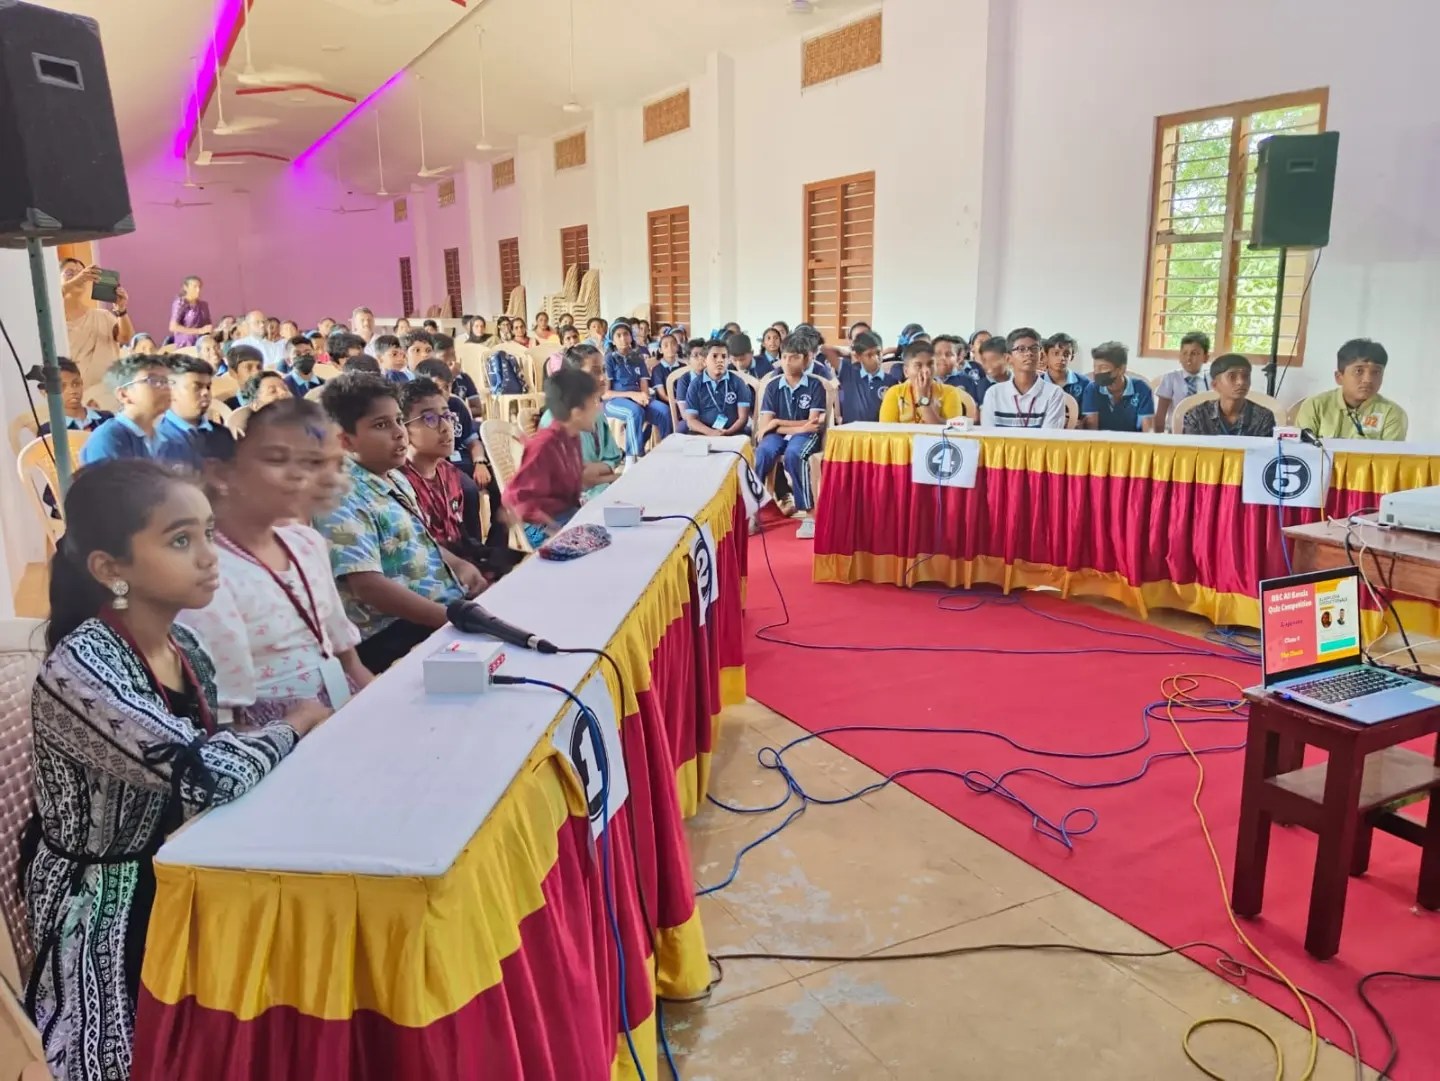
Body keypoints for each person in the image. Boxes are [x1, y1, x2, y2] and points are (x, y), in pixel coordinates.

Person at [25, 459, 325, 1081]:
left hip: (179, 859)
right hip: (104, 898)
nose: (208, 556)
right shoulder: (82, 669)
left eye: (209, 533)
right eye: (180, 540)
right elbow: (206, 774)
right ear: (111, 569)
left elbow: (209, 770)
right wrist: (295, 723)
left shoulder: (184, 649)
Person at [179, 399, 372, 725]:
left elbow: (344, 654)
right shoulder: (210, 572)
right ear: (223, 474)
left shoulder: (305, 542)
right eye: (278, 459)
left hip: (340, 701)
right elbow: (226, 717)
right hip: (273, 730)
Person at [313, 374, 483, 672]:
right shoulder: (340, 495)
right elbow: (368, 585)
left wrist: (459, 566)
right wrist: (448, 618)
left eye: (398, 421)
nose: (399, 433)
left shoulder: (392, 476)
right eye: (381, 425)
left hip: (434, 614)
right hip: (393, 636)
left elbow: (417, 539)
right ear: (345, 439)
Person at [506, 367, 601, 547]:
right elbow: (516, 499)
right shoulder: (544, 445)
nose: (599, 407)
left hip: (568, 514)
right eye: (594, 402)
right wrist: (554, 529)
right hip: (542, 527)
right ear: (576, 412)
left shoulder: (572, 436)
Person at [755, 334, 827, 539]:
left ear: (806, 359)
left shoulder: (814, 385)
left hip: (804, 437)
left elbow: (813, 424)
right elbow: (766, 425)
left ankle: (808, 514)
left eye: (794, 357)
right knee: (762, 453)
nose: (787, 362)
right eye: (784, 356)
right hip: (781, 434)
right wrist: (783, 425)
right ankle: (753, 511)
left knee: (796, 454)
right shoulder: (772, 385)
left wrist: (778, 423)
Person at [541, 344, 622, 500]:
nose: (602, 378)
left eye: (604, 370)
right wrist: (602, 474)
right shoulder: (558, 418)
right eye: (595, 372)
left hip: (598, 489)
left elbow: (612, 456)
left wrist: (601, 470)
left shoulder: (595, 412)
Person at [1294, 338, 1408, 441]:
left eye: (1376, 372)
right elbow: (1303, 452)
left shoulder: (1392, 413)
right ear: (1339, 377)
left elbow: (1388, 460)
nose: (1367, 379)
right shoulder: (1315, 406)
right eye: (1359, 371)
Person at [60, 258, 133, 407]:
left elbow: (125, 337)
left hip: (107, 398)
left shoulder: (102, 316)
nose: (77, 277)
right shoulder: (52, 321)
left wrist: (121, 309)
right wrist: (76, 280)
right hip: (71, 402)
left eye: (81, 273)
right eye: (69, 273)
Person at [79, 356, 172, 464]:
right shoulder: (108, 439)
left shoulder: (167, 436)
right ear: (123, 394)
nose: (166, 388)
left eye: (167, 381)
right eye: (153, 380)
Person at [603, 322, 671, 459]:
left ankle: (667, 451)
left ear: (631, 337)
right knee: (634, 412)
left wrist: (644, 397)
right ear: (613, 340)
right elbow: (606, 393)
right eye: (619, 335)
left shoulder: (638, 357)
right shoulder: (609, 359)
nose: (623, 338)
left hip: (638, 399)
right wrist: (633, 395)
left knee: (663, 411)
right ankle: (633, 457)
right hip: (615, 401)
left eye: (626, 334)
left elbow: (644, 383)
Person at [155, 355, 234, 469]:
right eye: (197, 387)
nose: (206, 393)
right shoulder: (156, 442)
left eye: (208, 387)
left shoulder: (222, 434)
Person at [981, 327, 1067, 429]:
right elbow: (989, 436)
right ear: (1008, 358)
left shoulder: (1054, 393)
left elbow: (1048, 439)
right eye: (1021, 349)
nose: (1029, 353)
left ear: (1041, 356)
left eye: (1034, 348)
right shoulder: (993, 393)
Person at [1181, 354, 1276, 437]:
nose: (1241, 382)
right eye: (1232, 376)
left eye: (1245, 376)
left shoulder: (1263, 417)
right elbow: (1191, 453)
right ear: (1215, 385)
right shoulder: (1197, 416)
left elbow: (1264, 455)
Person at [879, 341, 967, 423]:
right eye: (918, 366)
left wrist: (923, 398)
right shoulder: (894, 393)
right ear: (906, 371)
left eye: (930, 364)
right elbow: (886, 433)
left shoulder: (950, 392)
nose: (926, 370)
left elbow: (951, 433)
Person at [1081, 341, 1155, 433]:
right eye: (1095, 367)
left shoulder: (1142, 389)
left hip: (1133, 443)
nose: (1097, 372)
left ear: (1121, 369)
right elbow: (1092, 430)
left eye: (1103, 367)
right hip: (1102, 443)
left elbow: (1148, 429)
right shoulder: (1092, 389)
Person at [684, 341, 753, 437]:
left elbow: (743, 418)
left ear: (728, 360)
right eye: (715, 356)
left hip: (733, 432)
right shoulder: (695, 385)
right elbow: (691, 420)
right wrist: (711, 432)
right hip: (703, 433)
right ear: (704, 361)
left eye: (724, 356)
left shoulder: (738, 383)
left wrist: (727, 432)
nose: (720, 360)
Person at [1153, 331, 1211, 433]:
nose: (1188, 358)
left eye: (1194, 353)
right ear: (1179, 356)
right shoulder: (1171, 378)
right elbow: (1160, 415)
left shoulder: (1211, 379)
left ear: (1205, 357)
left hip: (1204, 434)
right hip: (1176, 433)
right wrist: (1159, 439)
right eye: (1185, 353)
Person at [38, 358, 112, 436]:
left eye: (76, 384)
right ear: (45, 392)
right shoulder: (48, 431)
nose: (72, 391)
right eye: (61, 387)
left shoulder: (106, 419)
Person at [836, 331, 898, 423]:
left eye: (878, 353)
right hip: (851, 433)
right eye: (869, 355)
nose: (875, 358)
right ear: (858, 356)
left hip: (878, 434)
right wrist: (849, 354)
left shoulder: (891, 381)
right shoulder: (849, 373)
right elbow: (826, 350)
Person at [1040, 332, 1089, 407]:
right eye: (1056, 353)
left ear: (1072, 357)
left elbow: (1090, 415)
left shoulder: (1084, 383)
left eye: (1066, 354)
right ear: (1046, 355)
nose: (1061, 358)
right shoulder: (1036, 383)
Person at [167, 275, 213, 348]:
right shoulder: (180, 303)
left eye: (199, 287)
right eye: (195, 287)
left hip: (202, 343)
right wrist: (199, 331)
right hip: (186, 344)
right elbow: (173, 327)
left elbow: (208, 325)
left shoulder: (204, 305)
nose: (198, 290)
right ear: (186, 287)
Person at [932, 335, 980, 400]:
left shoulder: (967, 381)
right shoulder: (924, 380)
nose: (943, 358)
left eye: (949, 354)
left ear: (957, 358)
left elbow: (973, 408)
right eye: (937, 354)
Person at [649, 333, 686, 404]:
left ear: (677, 347)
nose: (670, 348)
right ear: (660, 350)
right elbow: (662, 396)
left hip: (685, 402)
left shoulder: (684, 367)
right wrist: (678, 403)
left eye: (673, 344)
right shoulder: (657, 370)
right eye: (666, 345)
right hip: (667, 404)